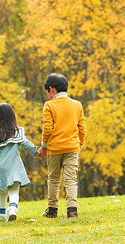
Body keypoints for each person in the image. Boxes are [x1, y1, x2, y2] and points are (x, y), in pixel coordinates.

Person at [0, 103, 41, 222]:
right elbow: (26, 144)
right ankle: (13, 209)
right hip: (13, 166)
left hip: (0, 168)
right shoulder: (17, 132)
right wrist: (36, 152)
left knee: (2, 191)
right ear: (12, 117)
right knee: (14, 190)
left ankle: (1, 214)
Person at [39, 73, 86, 219]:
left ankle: (52, 210)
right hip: (72, 147)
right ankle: (72, 211)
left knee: (53, 179)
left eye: (47, 91)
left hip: (54, 148)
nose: (47, 95)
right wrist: (80, 143)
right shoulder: (77, 105)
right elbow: (82, 127)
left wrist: (44, 146)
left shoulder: (49, 105)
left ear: (51, 89)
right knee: (71, 179)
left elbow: (47, 128)